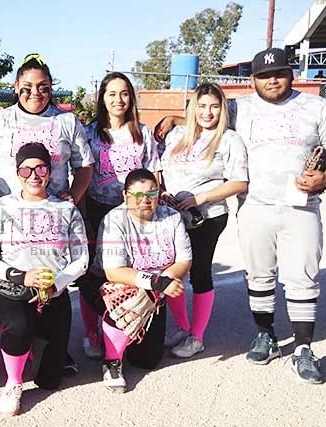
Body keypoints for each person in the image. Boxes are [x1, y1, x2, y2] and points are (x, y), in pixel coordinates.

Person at [155, 48, 326, 384]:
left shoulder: (315, 106)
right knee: (259, 276)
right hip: (254, 205)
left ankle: (304, 348)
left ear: (291, 74)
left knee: (302, 275)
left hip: (300, 204)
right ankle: (266, 336)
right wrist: (176, 118)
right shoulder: (238, 107)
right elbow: (206, 110)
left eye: (279, 73)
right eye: (264, 75)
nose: (272, 80)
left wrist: (325, 177)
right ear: (253, 79)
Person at [0, 53, 94, 376]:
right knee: (0, 282)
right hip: (8, 214)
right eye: (27, 87)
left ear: (52, 88)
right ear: (15, 86)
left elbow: (85, 166)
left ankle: (54, 342)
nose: (35, 93)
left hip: (50, 213)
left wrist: (73, 196)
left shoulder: (66, 121)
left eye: (43, 87)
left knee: (53, 279)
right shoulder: (0, 120)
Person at [0, 143, 88, 415]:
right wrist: (22, 276)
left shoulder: (65, 208)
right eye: (25, 169)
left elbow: (82, 259)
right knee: (19, 325)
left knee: (49, 380)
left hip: (52, 292)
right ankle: (13, 382)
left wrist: (58, 284)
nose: (33, 175)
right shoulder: (3, 206)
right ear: (17, 173)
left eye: (40, 168)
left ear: (50, 171)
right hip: (12, 291)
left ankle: (36, 350)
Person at [159, 83, 248, 358]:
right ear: (192, 107)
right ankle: (183, 327)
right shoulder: (177, 135)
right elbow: (162, 169)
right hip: (172, 216)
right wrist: (161, 192)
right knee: (170, 270)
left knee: (198, 272)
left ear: (222, 109)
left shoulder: (229, 139)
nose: (207, 112)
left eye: (214, 106)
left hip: (205, 218)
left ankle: (196, 337)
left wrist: (201, 198)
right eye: (202, 105)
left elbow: (239, 182)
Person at [77, 71, 161, 360]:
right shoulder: (89, 133)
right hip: (100, 209)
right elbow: (83, 176)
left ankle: (125, 322)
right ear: (102, 97)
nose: (118, 99)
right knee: (95, 274)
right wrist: (85, 217)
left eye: (124, 93)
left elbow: (154, 173)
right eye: (112, 93)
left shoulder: (142, 132)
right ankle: (92, 331)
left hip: (134, 214)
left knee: (130, 270)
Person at [90, 168, 191, 392]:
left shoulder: (172, 217)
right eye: (137, 195)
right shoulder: (114, 220)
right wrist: (156, 283)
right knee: (127, 294)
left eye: (151, 194)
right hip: (115, 287)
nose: (144, 200)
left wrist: (161, 283)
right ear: (125, 196)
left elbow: (184, 261)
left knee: (147, 360)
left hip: (155, 291)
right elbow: (114, 271)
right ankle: (111, 359)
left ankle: (129, 333)